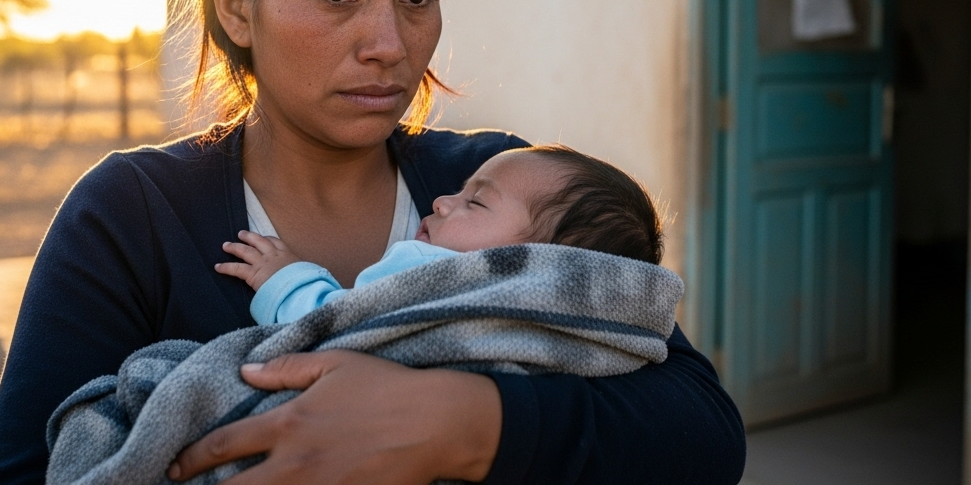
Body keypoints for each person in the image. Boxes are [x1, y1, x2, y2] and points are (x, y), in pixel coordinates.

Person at [0, 0, 745, 485]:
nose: (389, 44)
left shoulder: (497, 186)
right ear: (237, 6)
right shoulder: (131, 214)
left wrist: (462, 424)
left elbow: (702, 433)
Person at [224, 145, 663, 326]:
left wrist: (285, 278)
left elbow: (335, 324)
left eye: (475, 201)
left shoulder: (430, 270)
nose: (441, 201)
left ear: (541, 261)